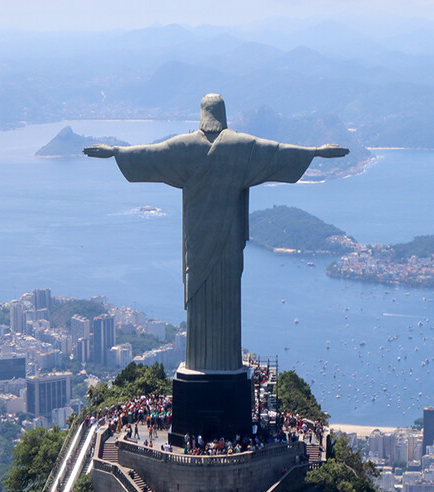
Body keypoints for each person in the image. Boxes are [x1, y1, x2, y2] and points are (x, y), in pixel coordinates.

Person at [85, 94, 347, 372]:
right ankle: (225, 362)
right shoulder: (240, 146)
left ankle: (200, 362)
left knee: (200, 299)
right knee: (227, 299)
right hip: (229, 243)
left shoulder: (183, 147)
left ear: (201, 114)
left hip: (196, 243)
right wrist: (315, 151)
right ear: (223, 114)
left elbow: (149, 154)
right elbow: (277, 152)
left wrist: (115, 151)